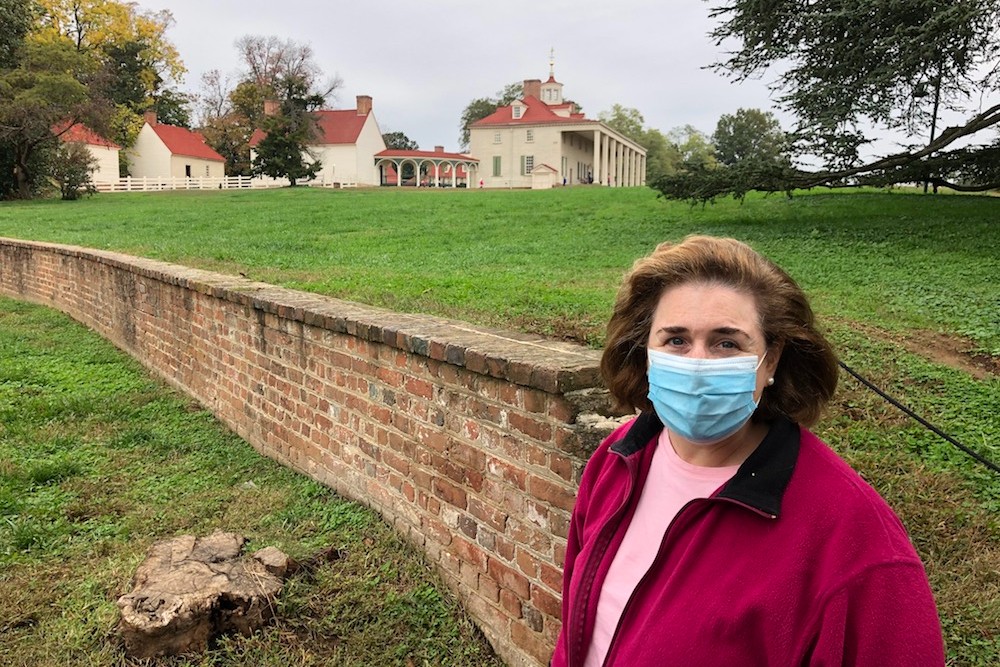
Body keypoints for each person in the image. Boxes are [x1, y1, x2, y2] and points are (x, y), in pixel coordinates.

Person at [551, 236, 944, 666]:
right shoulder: (618, 459)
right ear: (646, 352)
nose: (698, 364)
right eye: (676, 340)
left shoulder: (854, 543)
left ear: (770, 360)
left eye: (727, 343)